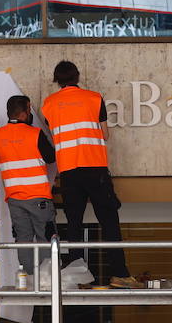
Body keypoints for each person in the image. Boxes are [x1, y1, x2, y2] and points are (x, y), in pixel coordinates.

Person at [40, 61, 144, 289]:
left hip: (68, 171)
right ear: (77, 77)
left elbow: (54, 133)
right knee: (108, 220)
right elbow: (105, 134)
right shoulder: (95, 98)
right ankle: (119, 274)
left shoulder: (48, 104)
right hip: (95, 168)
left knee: (74, 223)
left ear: (57, 80)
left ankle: (78, 278)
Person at [0, 94, 57, 280]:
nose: (30, 113)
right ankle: (47, 280)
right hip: (39, 198)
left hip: (15, 200)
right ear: (23, 113)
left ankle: (27, 281)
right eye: (29, 110)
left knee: (23, 239)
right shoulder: (35, 134)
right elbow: (51, 158)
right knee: (45, 239)